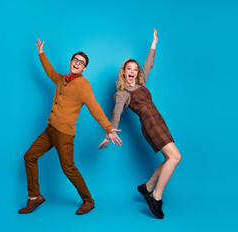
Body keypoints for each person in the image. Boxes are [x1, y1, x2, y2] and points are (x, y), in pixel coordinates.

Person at [19, 38, 122, 215]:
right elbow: (50, 71)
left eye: (81, 63)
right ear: (71, 62)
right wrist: (41, 53)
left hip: (64, 134)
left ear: (84, 69)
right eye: (75, 60)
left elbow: (95, 108)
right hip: (49, 130)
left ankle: (88, 201)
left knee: (68, 168)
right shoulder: (62, 79)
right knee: (29, 156)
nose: (77, 63)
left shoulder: (83, 86)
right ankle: (35, 196)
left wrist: (108, 128)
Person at [98, 29, 181, 219]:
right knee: (175, 157)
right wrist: (108, 134)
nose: (133, 72)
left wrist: (154, 43)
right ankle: (155, 196)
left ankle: (147, 186)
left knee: (169, 158)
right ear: (124, 72)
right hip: (150, 123)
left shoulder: (141, 84)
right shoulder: (122, 93)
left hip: (159, 120)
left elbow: (149, 65)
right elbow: (116, 114)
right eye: (129, 69)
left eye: (135, 70)